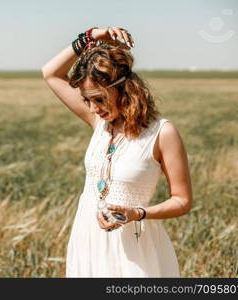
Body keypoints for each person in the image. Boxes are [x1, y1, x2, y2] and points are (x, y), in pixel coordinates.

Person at [41, 26, 193, 277]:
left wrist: (137, 213)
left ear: (124, 89)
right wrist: (91, 36)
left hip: (134, 244)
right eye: (86, 99)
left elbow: (183, 201)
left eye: (99, 98)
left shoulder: (162, 133)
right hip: (88, 238)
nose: (92, 108)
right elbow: (51, 73)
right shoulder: (99, 122)